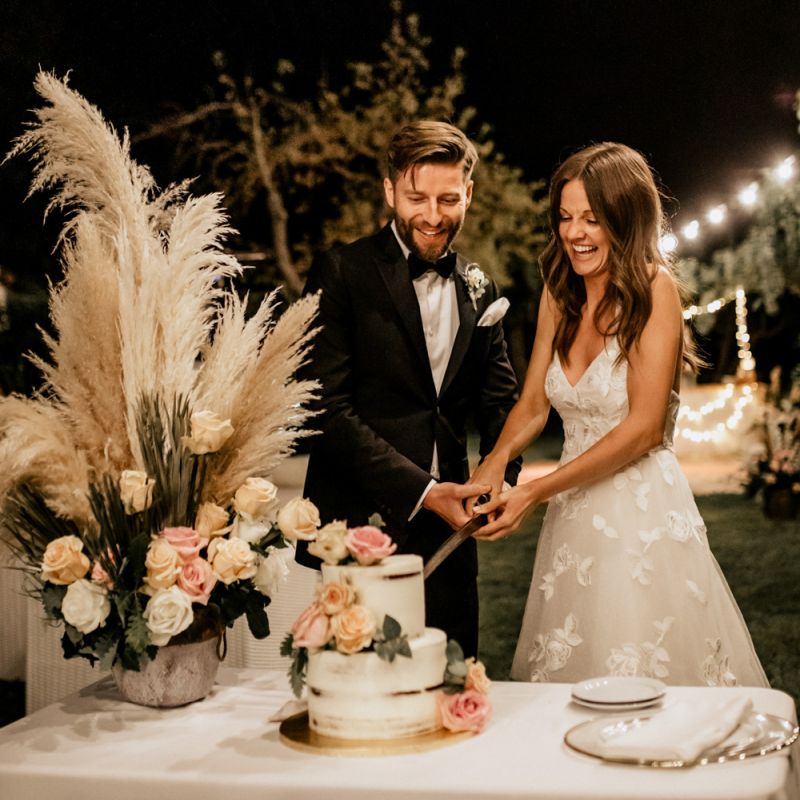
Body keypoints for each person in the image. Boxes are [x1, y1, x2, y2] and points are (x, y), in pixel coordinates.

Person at [471, 142, 768, 686]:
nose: (575, 233)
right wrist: (494, 462)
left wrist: (535, 490)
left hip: (641, 516)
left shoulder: (655, 291)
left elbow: (645, 429)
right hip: (574, 520)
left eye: (592, 218)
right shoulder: (560, 294)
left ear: (625, 220)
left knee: (642, 662)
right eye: (565, 217)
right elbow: (534, 404)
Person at [296, 120, 522, 657]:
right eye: (416, 197)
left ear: (468, 193)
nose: (433, 215)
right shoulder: (341, 272)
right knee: (365, 694)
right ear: (390, 190)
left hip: (452, 532)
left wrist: (499, 480)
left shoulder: (479, 285)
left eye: (448, 199)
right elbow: (327, 410)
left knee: (451, 677)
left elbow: (500, 403)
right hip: (361, 524)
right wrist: (425, 492)